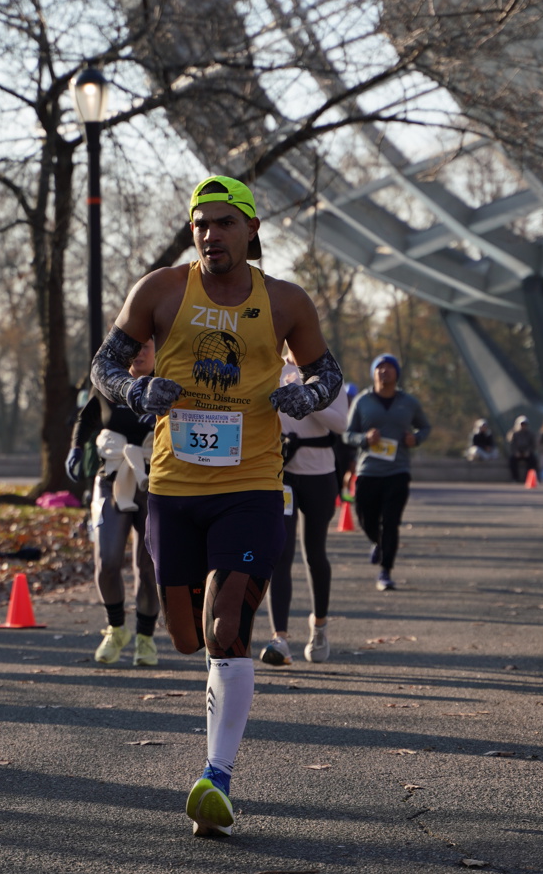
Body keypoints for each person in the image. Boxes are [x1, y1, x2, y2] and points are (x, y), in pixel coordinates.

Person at [91, 175, 342, 838]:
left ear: (251, 228)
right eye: (201, 223)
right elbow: (103, 366)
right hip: (174, 487)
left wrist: (306, 396)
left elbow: (329, 373)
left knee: (228, 624)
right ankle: (215, 698)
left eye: (225, 222)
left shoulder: (284, 300)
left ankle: (217, 776)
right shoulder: (160, 290)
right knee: (187, 636)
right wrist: (135, 391)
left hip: (252, 484)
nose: (210, 234)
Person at [67, 340, 160, 666]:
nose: (141, 352)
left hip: (154, 483)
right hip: (110, 478)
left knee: (148, 567)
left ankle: (145, 638)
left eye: (147, 346)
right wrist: (75, 449)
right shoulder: (109, 381)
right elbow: (86, 419)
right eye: (135, 345)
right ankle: (116, 628)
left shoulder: (166, 382)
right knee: (106, 561)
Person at [261, 356, 349, 665]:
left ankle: (319, 626)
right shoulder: (272, 367)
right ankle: (280, 638)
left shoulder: (328, 373)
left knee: (315, 553)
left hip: (320, 474)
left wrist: (308, 398)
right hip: (282, 471)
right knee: (280, 553)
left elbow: (341, 424)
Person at [344, 354, 431, 592]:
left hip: (397, 471)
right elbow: (347, 434)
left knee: (391, 522)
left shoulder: (409, 402)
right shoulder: (362, 401)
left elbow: (425, 426)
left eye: (389, 367)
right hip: (368, 470)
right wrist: (364, 439)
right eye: (379, 367)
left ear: (396, 373)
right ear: (373, 373)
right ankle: (378, 542)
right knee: (366, 519)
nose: (384, 371)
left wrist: (416, 439)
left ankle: (385, 571)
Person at [507, 416, 536, 483]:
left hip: (526, 452)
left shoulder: (530, 434)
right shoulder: (513, 433)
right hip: (517, 452)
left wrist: (528, 451)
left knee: (533, 460)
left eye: (525, 425)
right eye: (522, 424)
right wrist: (515, 452)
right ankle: (515, 478)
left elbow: (533, 445)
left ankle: (528, 478)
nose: (523, 426)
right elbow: (511, 445)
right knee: (512, 460)